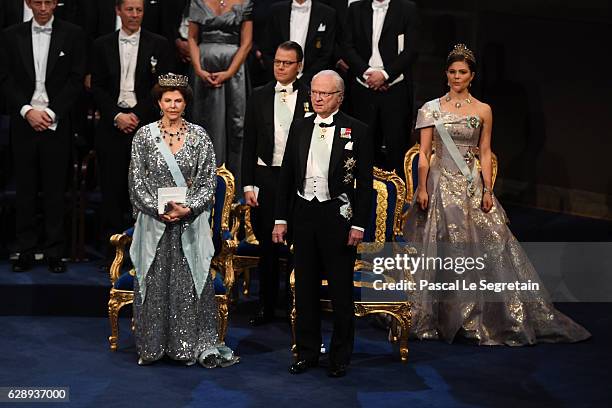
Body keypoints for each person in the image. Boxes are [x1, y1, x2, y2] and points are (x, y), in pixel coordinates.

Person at [402, 44, 591, 346]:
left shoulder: (483, 109)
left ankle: (476, 315)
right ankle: (438, 315)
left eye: (462, 72)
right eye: (452, 71)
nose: (456, 76)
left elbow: (486, 152)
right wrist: (422, 186)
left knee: (490, 243)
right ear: (446, 74)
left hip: (469, 183)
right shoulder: (430, 108)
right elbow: (424, 153)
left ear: (472, 76)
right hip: (439, 182)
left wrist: (488, 189)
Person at [128, 73, 239, 367]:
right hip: (154, 224)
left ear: (186, 103)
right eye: (168, 100)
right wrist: (158, 209)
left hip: (189, 223)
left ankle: (186, 346)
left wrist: (186, 209)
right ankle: (152, 347)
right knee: (153, 283)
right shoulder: (144, 136)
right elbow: (136, 182)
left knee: (189, 284)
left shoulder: (200, 136)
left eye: (178, 100)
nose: (173, 105)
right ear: (159, 102)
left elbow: (206, 184)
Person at [273, 70, 373, 377]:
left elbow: (365, 184)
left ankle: (340, 356)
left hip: (337, 217)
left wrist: (358, 225)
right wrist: (280, 218)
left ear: (339, 97)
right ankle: (307, 352)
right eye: (314, 92)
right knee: (304, 289)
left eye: (324, 93)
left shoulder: (358, 130)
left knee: (341, 291)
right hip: (303, 214)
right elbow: (287, 175)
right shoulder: (300, 126)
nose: (317, 97)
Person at [0, 0, 86, 272]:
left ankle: (53, 251)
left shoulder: (72, 34)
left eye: (49, 2)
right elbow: (5, 78)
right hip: (24, 122)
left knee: (54, 190)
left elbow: (76, 79)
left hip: (56, 123)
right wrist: (27, 111)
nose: (44, 7)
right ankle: (25, 249)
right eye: (38, 1)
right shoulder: (10, 35)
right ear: (28, 3)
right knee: (25, 188)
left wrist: (51, 113)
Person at [91, 0, 172, 264]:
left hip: (145, 126)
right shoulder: (101, 44)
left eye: (139, 10)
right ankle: (113, 255)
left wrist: (136, 115)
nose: (135, 15)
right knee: (112, 190)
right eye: (129, 10)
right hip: (112, 126)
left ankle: (144, 253)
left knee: (144, 192)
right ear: (118, 11)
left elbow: (161, 87)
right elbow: (97, 88)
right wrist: (117, 115)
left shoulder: (159, 44)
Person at [242, 41, 312, 326]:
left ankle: (296, 305)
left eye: (287, 63)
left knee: (299, 245)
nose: (281, 67)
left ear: (299, 66)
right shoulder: (258, 95)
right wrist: (247, 185)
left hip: (299, 179)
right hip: (266, 178)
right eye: (277, 62)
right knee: (267, 248)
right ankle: (266, 306)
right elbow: (248, 143)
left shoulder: (312, 95)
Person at [343, 0, 418, 179]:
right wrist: (368, 73)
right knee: (361, 147)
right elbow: (347, 46)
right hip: (363, 88)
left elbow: (411, 50)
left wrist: (385, 75)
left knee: (396, 149)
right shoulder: (355, 8)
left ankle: (395, 201)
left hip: (395, 90)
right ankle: (361, 199)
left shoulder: (407, 9)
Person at [187, 0, 253, 190]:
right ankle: (201, 183)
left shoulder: (244, 3)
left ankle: (234, 187)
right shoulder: (198, 2)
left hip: (233, 68)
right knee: (204, 121)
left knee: (235, 124)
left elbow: (246, 43)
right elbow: (192, 38)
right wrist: (198, 69)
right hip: (203, 66)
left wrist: (230, 72)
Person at [261, 0, 336, 86]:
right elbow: (267, 48)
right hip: (277, 82)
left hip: (313, 84)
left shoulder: (327, 13)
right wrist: (280, 75)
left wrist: (304, 81)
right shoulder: (276, 11)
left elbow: (327, 53)